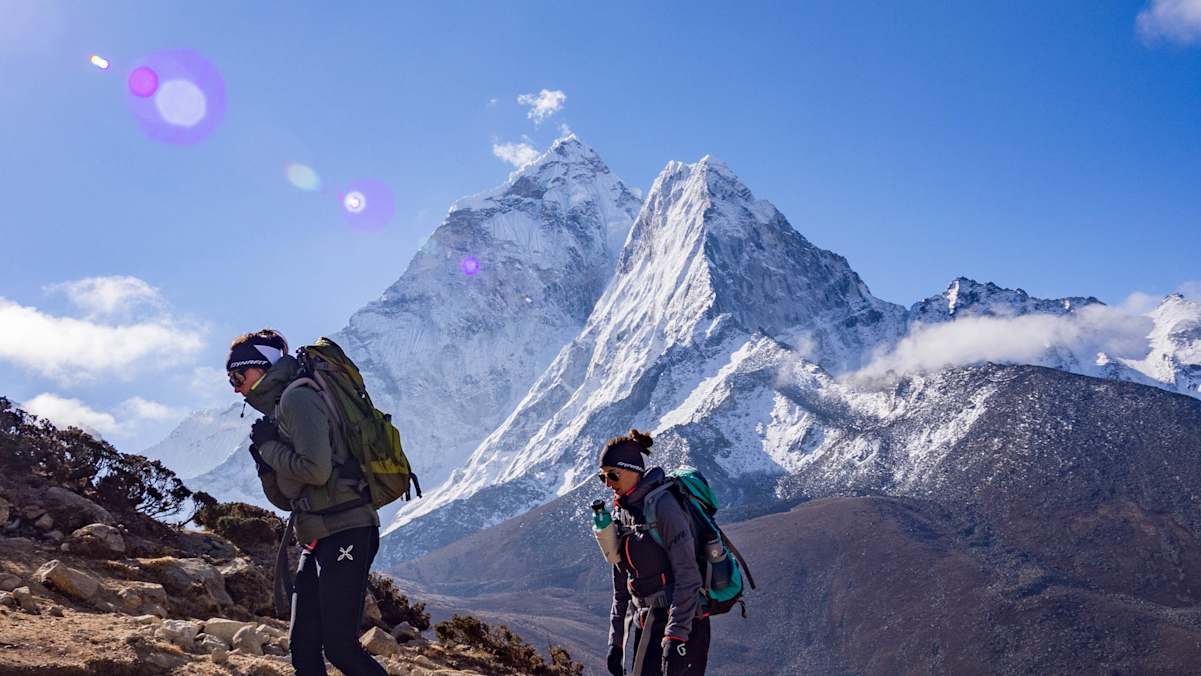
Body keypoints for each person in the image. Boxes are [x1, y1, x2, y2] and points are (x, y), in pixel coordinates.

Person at [226, 329, 387, 676]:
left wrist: (269, 448)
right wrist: (265, 461)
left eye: (238, 375)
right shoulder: (279, 410)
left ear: (263, 367)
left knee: (341, 648)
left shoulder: (298, 399)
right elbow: (287, 498)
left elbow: (316, 471)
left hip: (346, 528)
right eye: (230, 379)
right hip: (316, 533)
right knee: (303, 650)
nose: (235, 386)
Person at [601, 430, 710, 676]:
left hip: (685, 624)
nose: (608, 483)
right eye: (603, 477)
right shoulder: (622, 513)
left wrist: (675, 637)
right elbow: (622, 585)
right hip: (647, 622)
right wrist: (616, 642)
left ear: (633, 471)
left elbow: (688, 576)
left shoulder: (664, 508)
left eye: (613, 475)